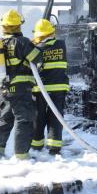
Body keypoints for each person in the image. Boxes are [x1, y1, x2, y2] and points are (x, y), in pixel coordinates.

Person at [0, 9, 42, 160]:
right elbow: (37, 59)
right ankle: (21, 155)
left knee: (4, 120)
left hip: (3, 88)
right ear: (19, 25)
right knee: (24, 120)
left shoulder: (0, 44)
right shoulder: (22, 42)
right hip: (20, 89)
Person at [30, 19, 69, 155]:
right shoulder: (61, 45)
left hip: (40, 90)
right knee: (56, 117)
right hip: (58, 89)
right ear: (52, 33)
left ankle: (36, 145)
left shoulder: (36, 49)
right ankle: (54, 146)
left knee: (38, 117)